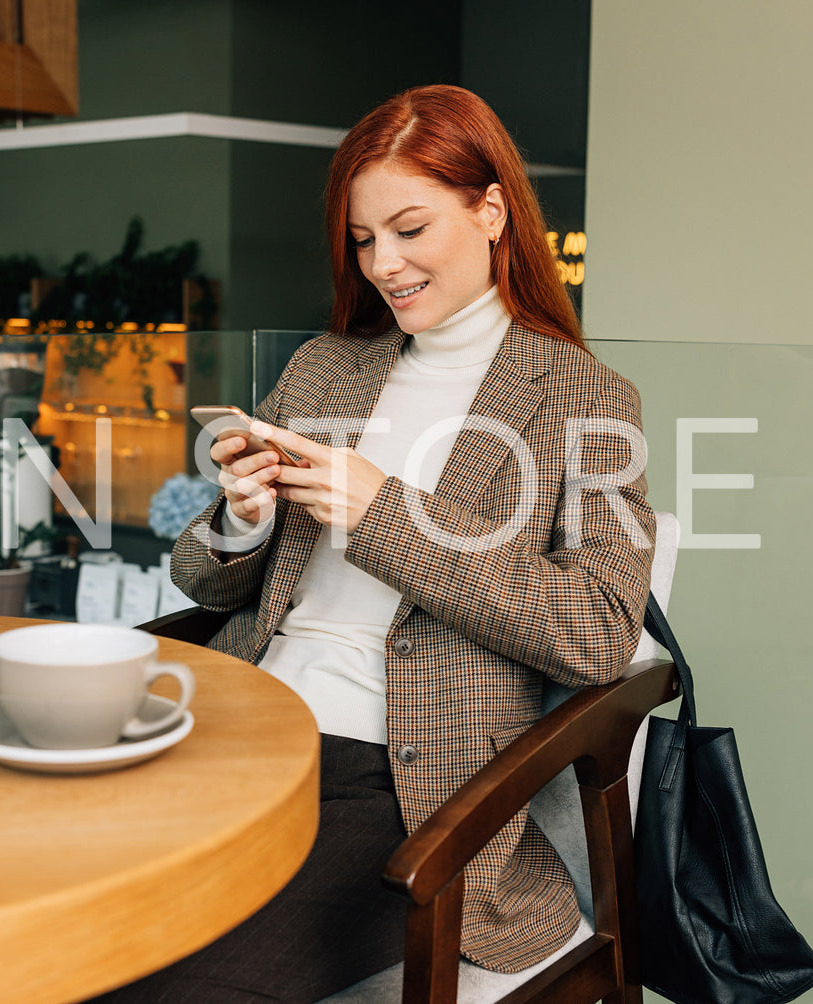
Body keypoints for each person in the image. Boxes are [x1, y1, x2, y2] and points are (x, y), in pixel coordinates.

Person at [97, 84, 655, 1003]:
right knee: (37, 924)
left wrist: (386, 513)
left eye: (408, 229)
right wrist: (245, 517)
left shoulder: (585, 397)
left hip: (392, 777)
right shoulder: (328, 363)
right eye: (363, 239)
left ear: (490, 210)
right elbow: (199, 574)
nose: (383, 264)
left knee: (162, 982)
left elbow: (596, 628)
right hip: (236, 728)